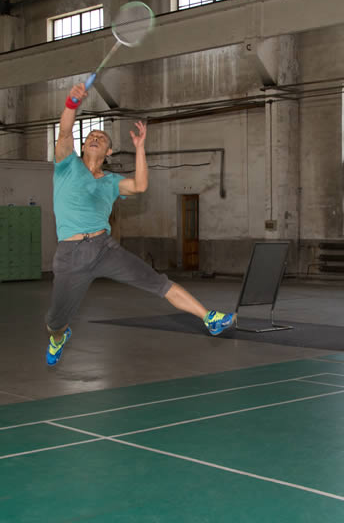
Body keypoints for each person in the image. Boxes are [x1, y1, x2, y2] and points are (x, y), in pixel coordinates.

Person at [44, 83, 234, 366]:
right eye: (91, 136)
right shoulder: (66, 165)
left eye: (101, 138)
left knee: (158, 283)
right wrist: (72, 103)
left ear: (109, 151)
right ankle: (59, 337)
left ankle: (209, 318)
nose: (95, 138)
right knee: (56, 321)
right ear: (83, 145)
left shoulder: (111, 181)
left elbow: (140, 185)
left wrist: (140, 148)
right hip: (70, 255)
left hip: (103, 248)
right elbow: (65, 131)